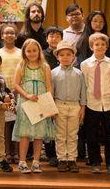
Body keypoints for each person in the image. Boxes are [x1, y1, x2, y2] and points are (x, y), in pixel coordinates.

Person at [12, 39, 55, 174]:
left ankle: (36, 161)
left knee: (39, 133)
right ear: (24, 52)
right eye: (28, 51)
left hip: (41, 102)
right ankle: (22, 161)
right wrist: (27, 95)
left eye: (34, 50)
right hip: (26, 102)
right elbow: (15, 84)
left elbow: (48, 86)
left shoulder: (45, 66)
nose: (31, 53)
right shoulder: (22, 65)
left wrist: (50, 105)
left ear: (39, 51)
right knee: (25, 133)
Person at [80, 33, 110, 174]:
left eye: (103, 44)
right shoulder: (85, 64)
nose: (100, 47)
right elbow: (83, 85)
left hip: (109, 103)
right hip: (91, 103)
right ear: (91, 47)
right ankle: (95, 161)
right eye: (97, 44)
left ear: (107, 47)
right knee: (92, 135)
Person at [50, 41, 86, 173]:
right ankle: (61, 159)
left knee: (72, 133)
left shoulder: (79, 73)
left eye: (68, 54)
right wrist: (52, 108)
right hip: (59, 105)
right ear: (57, 57)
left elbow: (83, 91)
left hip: (75, 106)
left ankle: (71, 159)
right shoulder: (53, 73)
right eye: (62, 55)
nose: (65, 57)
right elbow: (51, 92)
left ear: (73, 57)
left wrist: (83, 107)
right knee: (60, 134)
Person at [0, 23, 22, 163]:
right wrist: (4, 92)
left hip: (18, 92)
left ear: (16, 36)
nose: (9, 35)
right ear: (2, 36)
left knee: (18, 123)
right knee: (5, 125)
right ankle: (6, 152)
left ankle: (16, 153)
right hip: (3, 93)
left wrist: (18, 90)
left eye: (12, 33)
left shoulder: (20, 53)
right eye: (6, 33)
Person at [41, 26, 63, 166]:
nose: (54, 39)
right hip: (46, 93)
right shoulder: (42, 54)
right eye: (51, 36)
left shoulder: (65, 53)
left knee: (61, 125)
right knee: (49, 125)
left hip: (62, 94)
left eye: (57, 36)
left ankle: (62, 153)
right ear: (46, 38)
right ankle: (51, 154)